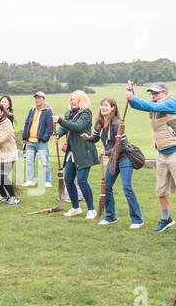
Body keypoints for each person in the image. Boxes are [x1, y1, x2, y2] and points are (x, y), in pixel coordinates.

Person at [125, 80, 176, 236]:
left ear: (165, 92)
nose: (153, 96)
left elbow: (152, 106)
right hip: (162, 152)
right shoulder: (155, 105)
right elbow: (138, 105)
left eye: (156, 93)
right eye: (151, 93)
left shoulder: (171, 103)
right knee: (161, 189)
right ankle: (166, 219)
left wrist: (132, 97)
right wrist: (132, 94)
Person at [88, 97, 143, 228]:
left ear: (113, 108)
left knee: (127, 188)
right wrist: (86, 137)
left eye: (106, 105)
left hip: (125, 158)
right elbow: (95, 138)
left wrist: (105, 152)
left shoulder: (118, 124)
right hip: (113, 160)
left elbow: (122, 146)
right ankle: (110, 217)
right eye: (101, 105)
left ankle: (137, 220)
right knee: (106, 187)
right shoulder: (99, 123)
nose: (103, 108)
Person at [56, 90, 97, 218]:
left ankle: (91, 210)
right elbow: (65, 127)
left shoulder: (86, 113)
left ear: (82, 100)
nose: (72, 101)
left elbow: (77, 127)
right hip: (71, 153)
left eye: (75, 99)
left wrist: (60, 120)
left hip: (84, 152)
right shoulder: (69, 113)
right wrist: (58, 133)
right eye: (71, 99)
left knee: (82, 180)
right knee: (68, 179)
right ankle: (75, 207)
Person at [21, 90, 54, 189]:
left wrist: (44, 138)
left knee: (44, 162)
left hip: (41, 142)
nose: (37, 99)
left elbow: (50, 127)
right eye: (36, 97)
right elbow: (27, 123)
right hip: (30, 141)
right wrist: (24, 136)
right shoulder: (32, 110)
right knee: (29, 162)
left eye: (39, 98)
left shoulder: (48, 111)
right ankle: (30, 180)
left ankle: (47, 181)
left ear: (44, 99)